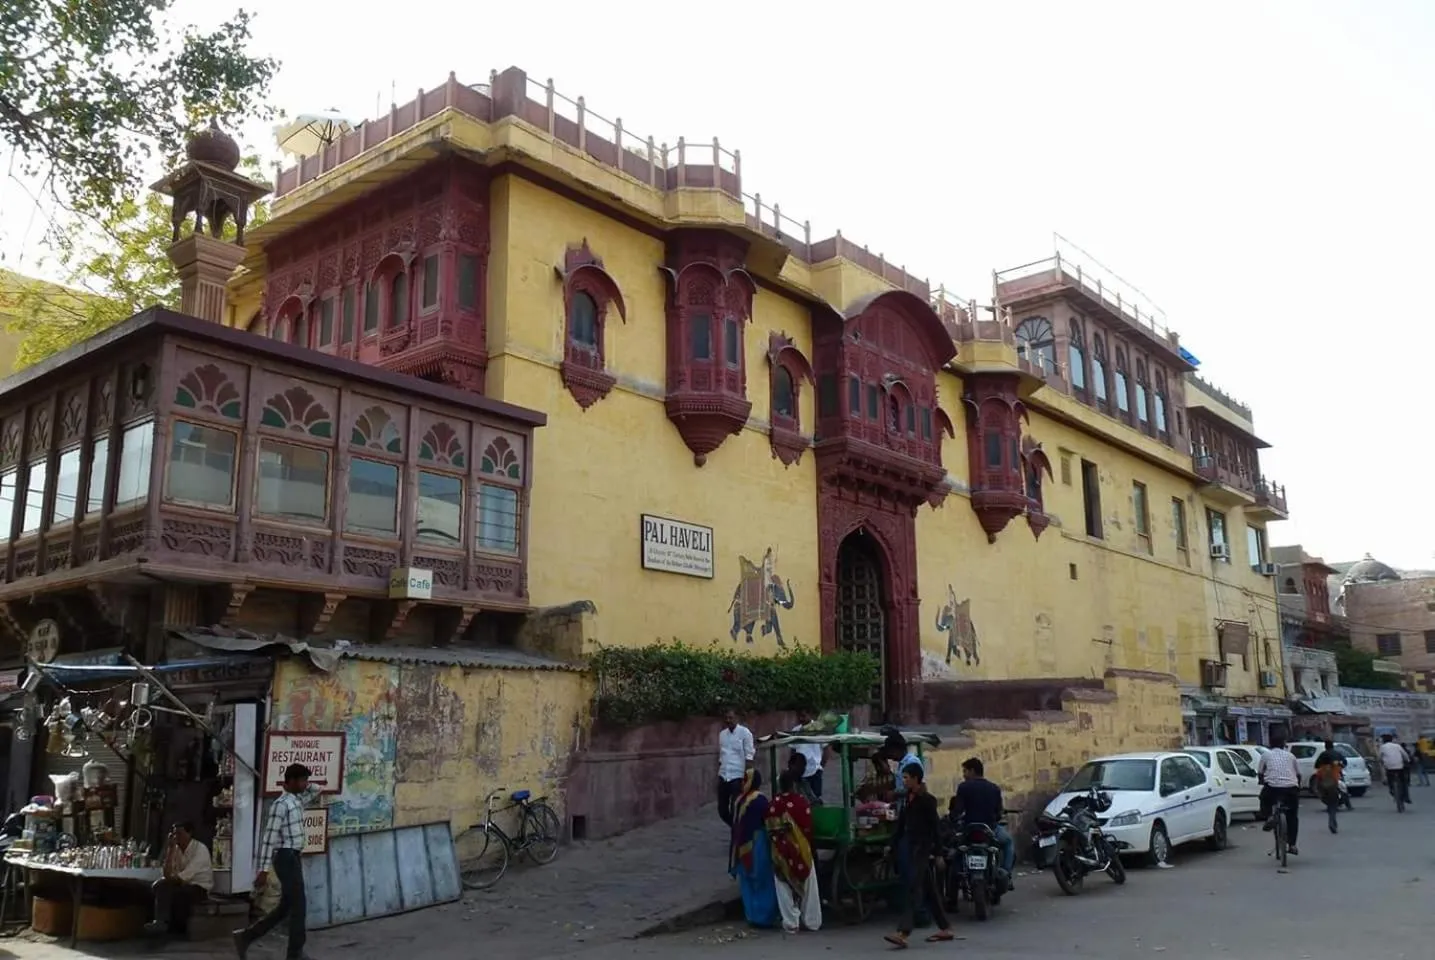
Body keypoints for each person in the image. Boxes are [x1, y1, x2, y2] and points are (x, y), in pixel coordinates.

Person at [234, 763, 316, 960]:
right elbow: (268, 838)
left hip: (293, 856)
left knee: (286, 907)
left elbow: (316, 789)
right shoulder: (281, 805)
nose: (306, 784)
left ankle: (246, 936)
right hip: (285, 856)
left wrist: (304, 781)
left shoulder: (297, 800)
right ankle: (295, 953)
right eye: (302, 780)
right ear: (293, 781)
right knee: (299, 906)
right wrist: (262, 869)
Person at [883, 763, 954, 948]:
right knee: (929, 890)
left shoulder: (927, 800)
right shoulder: (909, 798)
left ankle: (903, 932)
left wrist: (938, 853)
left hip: (923, 849)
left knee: (914, 889)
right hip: (911, 846)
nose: (904, 781)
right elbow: (901, 825)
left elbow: (935, 828)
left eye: (907, 777)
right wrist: (891, 845)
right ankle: (945, 927)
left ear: (916, 779)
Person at [767, 771, 821, 934]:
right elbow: (808, 828)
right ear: (794, 785)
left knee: (783, 886)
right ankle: (812, 921)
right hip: (801, 851)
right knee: (809, 886)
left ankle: (791, 923)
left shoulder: (773, 805)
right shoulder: (801, 802)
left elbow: (769, 829)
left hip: (780, 853)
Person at [951, 757, 1014, 886]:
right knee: (1008, 842)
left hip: (969, 830)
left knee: (956, 851)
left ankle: (956, 883)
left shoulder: (963, 787)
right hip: (990, 829)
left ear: (972, 771)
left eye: (965, 771)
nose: (964, 775)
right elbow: (998, 812)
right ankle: (1005, 872)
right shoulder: (994, 788)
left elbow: (957, 810)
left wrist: (953, 819)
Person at [729, 769, 779, 929]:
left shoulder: (739, 801)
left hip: (741, 846)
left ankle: (752, 915)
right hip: (758, 843)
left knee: (748, 881)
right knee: (762, 879)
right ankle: (764, 916)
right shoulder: (760, 800)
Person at [146, 821, 212, 936]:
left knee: (173, 891)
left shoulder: (200, 849)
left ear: (189, 833)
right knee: (161, 887)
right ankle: (160, 922)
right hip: (182, 883)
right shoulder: (175, 849)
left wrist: (165, 881)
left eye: (180, 834)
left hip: (198, 887)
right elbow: (167, 873)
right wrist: (170, 850)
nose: (176, 837)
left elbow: (183, 877)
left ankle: (168, 925)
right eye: (174, 835)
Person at [1257, 734, 1301, 856]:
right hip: (1290, 789)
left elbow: (1260, 772)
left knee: (1263, 797)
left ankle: (1269, 816)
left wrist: (1261, 781)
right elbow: (1298, 774)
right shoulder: (1291, 756)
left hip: (1273, 788)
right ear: (1283, 745)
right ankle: (1292, 845)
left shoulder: (1266, 755)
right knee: (1292, 816)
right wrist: (1298, 787)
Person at [717, 710, 755, 826]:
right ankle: (735, 827)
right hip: (724, 775)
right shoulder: (722, 734)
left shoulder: (745, 733)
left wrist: (747, 777)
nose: (728, 721)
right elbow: (721, 755)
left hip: (737, 775)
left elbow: (749, 755)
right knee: (722, 810)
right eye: (726, 718)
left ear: (737, 718)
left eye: (731, 718)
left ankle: (737, 833)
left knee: (736, 808)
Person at [790, 709, 825, 801]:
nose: (801, 719)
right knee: (800, 799)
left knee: (816, 799)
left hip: (815, 770)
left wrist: (821, 766)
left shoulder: (819, 729)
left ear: (810, 715)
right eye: (799, 716)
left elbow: (827, 749)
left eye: (803, 716)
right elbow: (793, 750)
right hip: (800, 771)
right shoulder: (795, 730)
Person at [1313, 739, 1345, 834]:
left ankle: (1332, 820)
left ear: (1325, 746)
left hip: (1323, 784)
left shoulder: (1323, 757)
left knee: (1329, 802)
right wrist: (1337, 765)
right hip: (1334, 783)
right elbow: (1344, 763)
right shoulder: (1337, 757)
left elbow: (1316, 766)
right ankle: (1332, 821)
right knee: (1333, 804)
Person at [1378, 734, 1412, 807]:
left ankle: (1392, 790)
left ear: (1384, 740)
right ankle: (1406, 797)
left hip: (1389, 768)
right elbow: (1405, 755)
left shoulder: (1382, 747)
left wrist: (1380, 761)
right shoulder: (1397, 746)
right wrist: (1408, 760)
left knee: (1390, 781)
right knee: (1404, 782)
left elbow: (1379, 757)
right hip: (1399, 767)